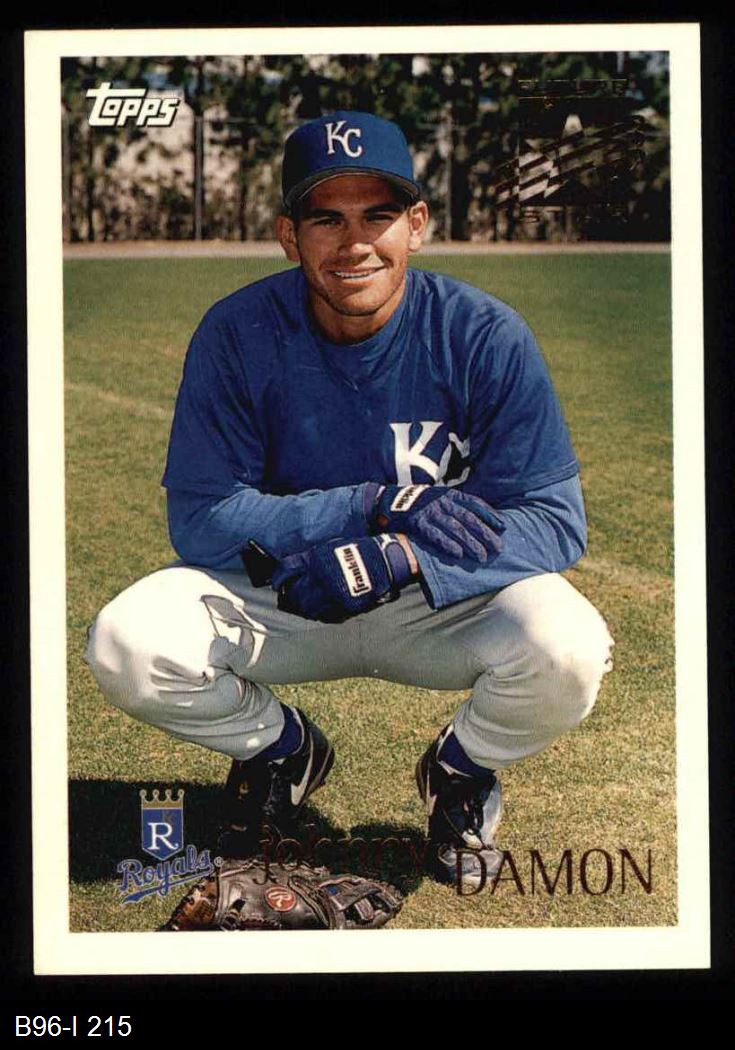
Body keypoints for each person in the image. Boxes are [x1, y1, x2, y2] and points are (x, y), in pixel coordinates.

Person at [85, 110, 614, 889]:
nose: (354, 242)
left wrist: (398, 555)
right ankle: (280, 750)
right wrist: (370, 504)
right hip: (287, 596)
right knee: (126, 641)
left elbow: (552, 518)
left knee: (567, 646)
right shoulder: (237, 332)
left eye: (378, 215)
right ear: (289, 236)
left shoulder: (482, 335)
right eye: (326, 219)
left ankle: (461, 771)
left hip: (436, 604)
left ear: (416, 225)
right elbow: (200, 519)